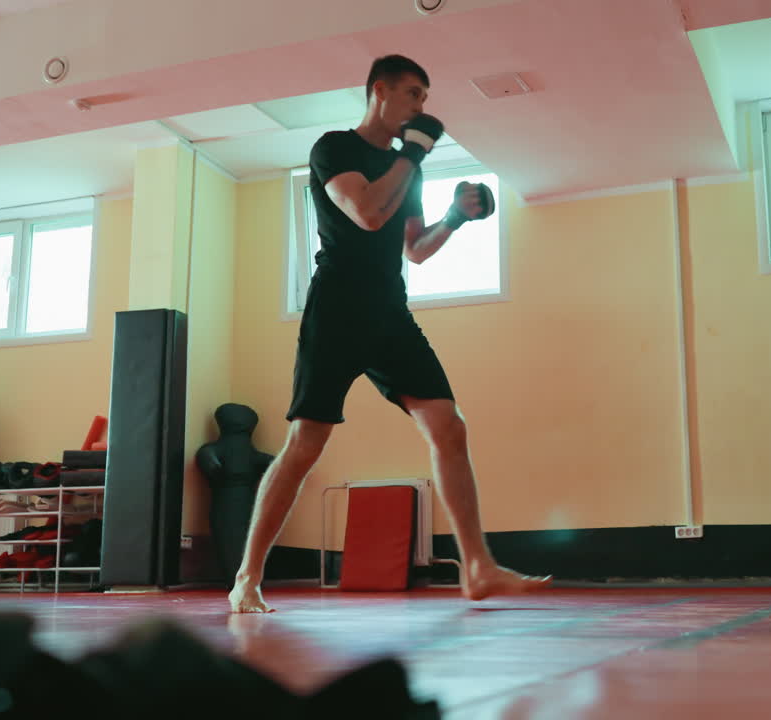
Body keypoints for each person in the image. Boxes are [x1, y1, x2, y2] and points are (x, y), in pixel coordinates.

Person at [230, 55, 551, 613]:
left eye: (425, 97)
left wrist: (454, 217)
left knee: (448, 426)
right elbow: (367, 212)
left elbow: (415, 249)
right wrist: (412, 154)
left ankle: (478, 567)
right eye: (413, 94)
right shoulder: (334, 149)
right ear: (380, 91)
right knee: (306, 444)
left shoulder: (410, 169)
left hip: (389, 312)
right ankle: (247, 578)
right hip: (337, 309)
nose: (421, 106)